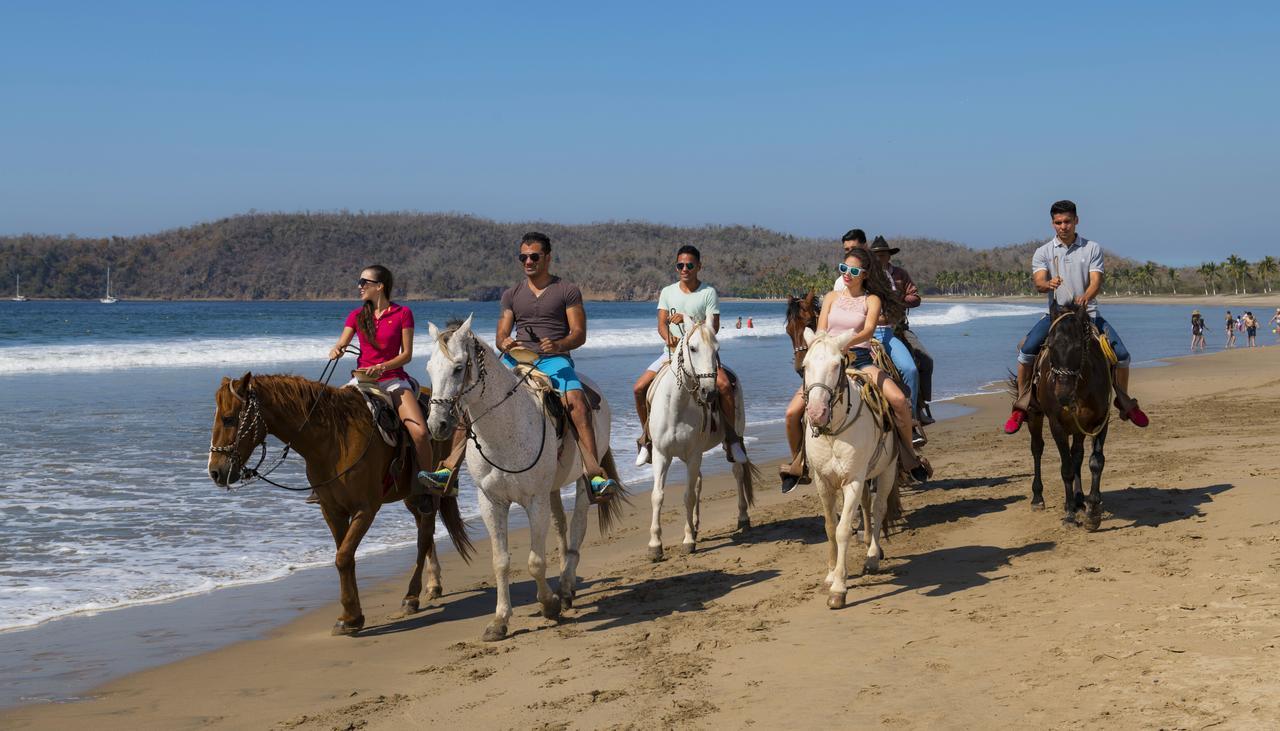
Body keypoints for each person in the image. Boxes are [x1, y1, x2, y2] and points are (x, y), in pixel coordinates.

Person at [779, 247, 931, 493]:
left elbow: (868, 331)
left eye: (853, 270)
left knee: (899, 400)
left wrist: (841, 342)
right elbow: (821, 328)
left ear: (865, 274)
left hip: (860, 360)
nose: (847, 274)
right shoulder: (831, 297)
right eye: (843, 269)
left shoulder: (872, 300)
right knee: (791, 413)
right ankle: (800, 462)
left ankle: (908, 456)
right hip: (830, 362)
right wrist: (822, 344)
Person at [491, 232, 617, 500]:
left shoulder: (567, 290)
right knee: (474, 394)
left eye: (534, 256)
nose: (528, 261)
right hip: (518, 361)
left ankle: (594, 472)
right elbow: (501, 334)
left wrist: (558, 345)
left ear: (547, 258)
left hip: (554, 360)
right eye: (523, 257)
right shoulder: (511, 294)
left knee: (577, 403)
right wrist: (505, 344)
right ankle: (450, 470)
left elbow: (579, 333)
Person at [1004, 200, 1149, 434]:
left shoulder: (1092, 248)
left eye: (1067, 221)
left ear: (1076, 221)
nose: (1063, 226)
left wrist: (1086, 297)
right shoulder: (1043, 252)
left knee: (1121, 355)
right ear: (1052, 224)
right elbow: (1039, 281)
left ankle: (1123, 400)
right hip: (1056, 318)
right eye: (1058, 222)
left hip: (1087, 315)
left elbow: (1096, 281)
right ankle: (1021, 405)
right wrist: (1047, 283)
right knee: (1027, 352)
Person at [324, 265, 447, 507]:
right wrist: (337, 349)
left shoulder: (403, 314)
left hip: (393, 381)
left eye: (364, 282)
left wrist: (383, 367)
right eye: (359, 282)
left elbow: (407, 355)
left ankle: (428, 486)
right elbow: (342, 341)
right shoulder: (356, 316)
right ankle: (326, 483)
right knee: (329, 420)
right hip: (361, 381)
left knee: (420, 433)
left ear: (379, 286)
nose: (360, 286)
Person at [632, 245, 747, 465]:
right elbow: (661, 325)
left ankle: (732, 439)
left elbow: (714, 327)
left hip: (701, 355)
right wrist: (669, 338)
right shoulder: (667, 292)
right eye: (680, 265)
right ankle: (647, 439)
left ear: (698, 267)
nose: (684, 269)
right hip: (671, 354)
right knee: (639, 388)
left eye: (689, 265)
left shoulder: (708, 293)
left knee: (723, 386)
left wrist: (687, 319)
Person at [834, 233, 925, 440]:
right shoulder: (842, 282)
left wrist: (897, 304)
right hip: (855, 336)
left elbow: (901, 299)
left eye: (883, 255)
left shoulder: (887, 277)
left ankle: (911, 419)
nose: (879, 259)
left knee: (911, 368)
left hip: (886, 331)